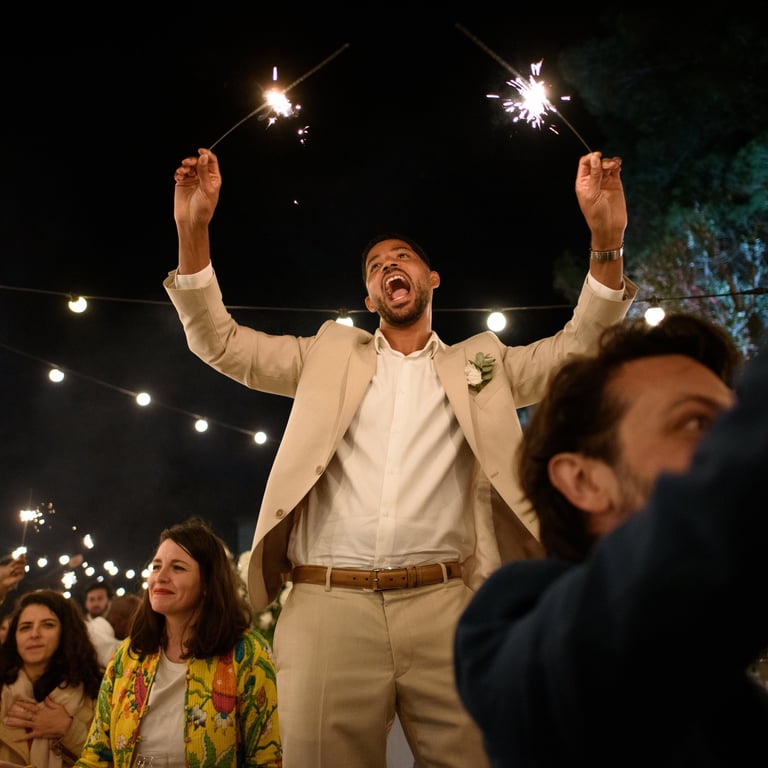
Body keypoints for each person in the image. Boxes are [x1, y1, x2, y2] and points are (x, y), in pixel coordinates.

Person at [164, 145, 637, 768]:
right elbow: (220, 342)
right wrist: (192, 229)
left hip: (448, 606)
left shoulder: (482, 363)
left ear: (431, 279)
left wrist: (605, 241)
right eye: (375, 265)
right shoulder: (326, 355)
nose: (389, 265)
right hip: (328, 608)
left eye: (402, 257)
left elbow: (581, 347)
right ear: (370, 298)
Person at [453, 314, 768, 766]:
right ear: (583, 480)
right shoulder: (511, 633)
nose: (724, 448)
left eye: (733, 423)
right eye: (697, 423)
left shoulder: (736, 704)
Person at [74, 517, 281, 768]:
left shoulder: (247, 654)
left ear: (208, 583)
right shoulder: (129, 654)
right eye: (156, 566)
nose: (160, 577)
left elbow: (267, 759)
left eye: (178, 568)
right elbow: (96, 755)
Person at [0, 589, 102, 767]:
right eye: (25, 627)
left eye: (48, 625)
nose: (34, 634)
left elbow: (112, 761)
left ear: (66, 632)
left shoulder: (96, 692)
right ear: (14, 637)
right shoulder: (2, 692)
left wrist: (69, 730)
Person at [80, 583, 117, 673]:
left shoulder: (119, 623)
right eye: (91, 599)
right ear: (86, 603)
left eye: (100, 598)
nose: (95, 603)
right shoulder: (81, 627)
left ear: (109, 601)